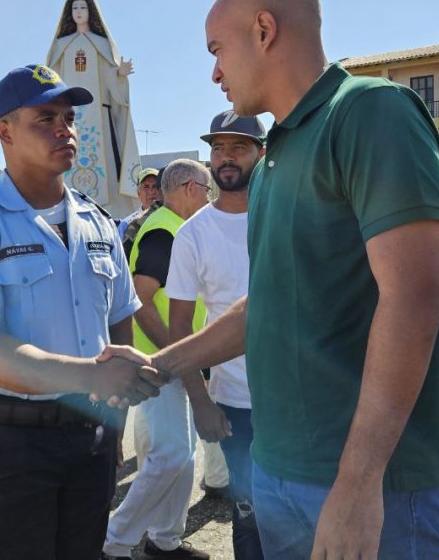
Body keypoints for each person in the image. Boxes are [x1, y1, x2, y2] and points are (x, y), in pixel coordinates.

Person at [105, 0, 439, 559]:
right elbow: (265, 303)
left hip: (367, 482)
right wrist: (159, 365)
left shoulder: (370, 111)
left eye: (218, 49)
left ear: (264, 30)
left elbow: (415, 296)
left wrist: (359, 483)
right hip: (277, 463)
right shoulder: (274, 161)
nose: (214, 71)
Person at [0, 64, 161, 560]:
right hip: (12, 440)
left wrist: (112, 417)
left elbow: (119, 318)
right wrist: (91, 379)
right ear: (5, 132)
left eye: (69, 118)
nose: (65, 129)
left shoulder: (99, 223)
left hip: (91, 437)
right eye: (46, 118)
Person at [166, 110, 267, 560]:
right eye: (218, 148)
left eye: (238, 147)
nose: (226, 157)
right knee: (248, 518)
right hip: (237, 402)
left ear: (261, 154)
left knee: (305, 510)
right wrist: (201, 401)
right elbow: (178, 329)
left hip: (301, 397)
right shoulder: (192, 235)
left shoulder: (288, 216)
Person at [103, 159, 212, 560]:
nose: (208, 197)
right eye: (206, 190)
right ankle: (113, 543)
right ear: (188, 187)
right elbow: (140, 297)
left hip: (172, 360)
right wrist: (176, 354)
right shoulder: (166, 230)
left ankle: (164, 540)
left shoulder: (173, 227)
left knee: (183, 454)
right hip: (163, 362)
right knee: (172, 455)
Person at [47, 0, 141, 215]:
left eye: (82, 8)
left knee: (107, 165)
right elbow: (52, 80)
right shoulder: (61, 46)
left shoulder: (100, 44)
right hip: (69, 119)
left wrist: (118, 74)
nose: (79, 12)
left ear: (91, 11)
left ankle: (112, 212)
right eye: (75, 8)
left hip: (100, 114)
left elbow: (111, 81)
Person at [117, 167, 160, 242]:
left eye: (155, 186)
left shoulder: (172, 217)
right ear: (138, 192)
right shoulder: (126, 224)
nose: (151, 191)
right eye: (146, 187)